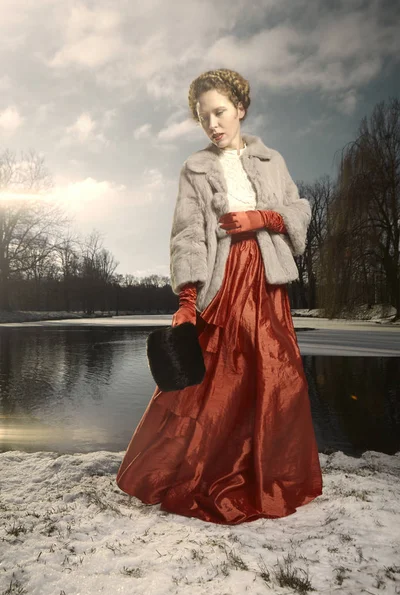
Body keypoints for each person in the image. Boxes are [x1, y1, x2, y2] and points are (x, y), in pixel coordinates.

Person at [116, 68, 323, 525]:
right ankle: (196, 473)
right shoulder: (195, 168)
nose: (213, 123)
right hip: (222, 282)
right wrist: (187, 300)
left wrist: (263, 217)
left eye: (220, 112)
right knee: (213, 383)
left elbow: (299, 212)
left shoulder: (273, 161)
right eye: (203, 116)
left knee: (275, 377)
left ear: (240, 109)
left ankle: (269, 477)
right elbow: (188, 233)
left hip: (268, 282)